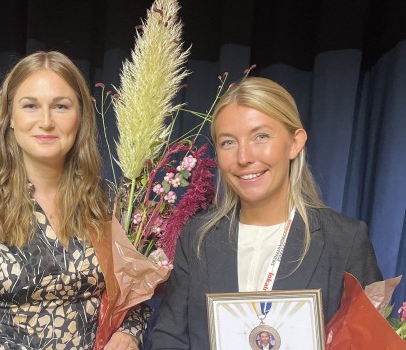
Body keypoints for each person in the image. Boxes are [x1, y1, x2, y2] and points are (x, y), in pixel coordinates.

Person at [149, 77, 382, 349]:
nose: (244, 157)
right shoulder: (197, 237)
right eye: (228, 143)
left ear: (295, 143)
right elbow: (169, 338)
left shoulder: (345, 240)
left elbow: (372, 341)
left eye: (261, 136)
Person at [0, 51, 149, 349]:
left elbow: (133, 294)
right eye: (30, 106)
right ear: (10, 118)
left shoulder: (105, 200)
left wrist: (128, 332)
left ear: (80, 117)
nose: (46, 121)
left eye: (61, 106)